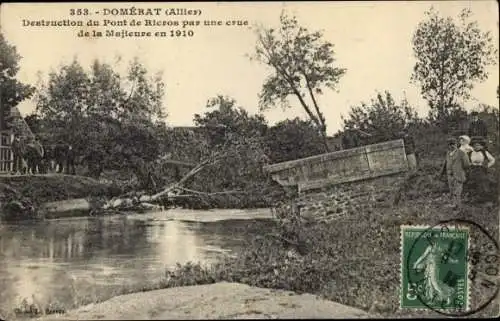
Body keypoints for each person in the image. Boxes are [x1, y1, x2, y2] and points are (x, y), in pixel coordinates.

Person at [440, 137, 470, 208]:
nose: (452, 146)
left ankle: (458, 206)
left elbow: (467, 164)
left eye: (453, 144)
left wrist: (460, 170)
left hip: (458, 175)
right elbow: (446, 163)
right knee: (452, 190)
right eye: (450, 144)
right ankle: (453, 204)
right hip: (450, 175)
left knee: (458, 191)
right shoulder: (448, 153)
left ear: (457, 144)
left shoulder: (461, 153)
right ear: (448, 146)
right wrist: (443, 173)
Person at [465, 137, 495, 203]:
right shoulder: (470, 153)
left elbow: (493, 160)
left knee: (483, 182)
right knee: (472, 183)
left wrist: (487, 166)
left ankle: (485, 199)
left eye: (478, 145)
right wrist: (469, 164)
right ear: (472, 146)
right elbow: (466, 162)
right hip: (472, 170)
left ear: (481, 146)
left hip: (482, 169)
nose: (477, 147)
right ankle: (473, 198)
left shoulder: (485, 152)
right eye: (475, 145)